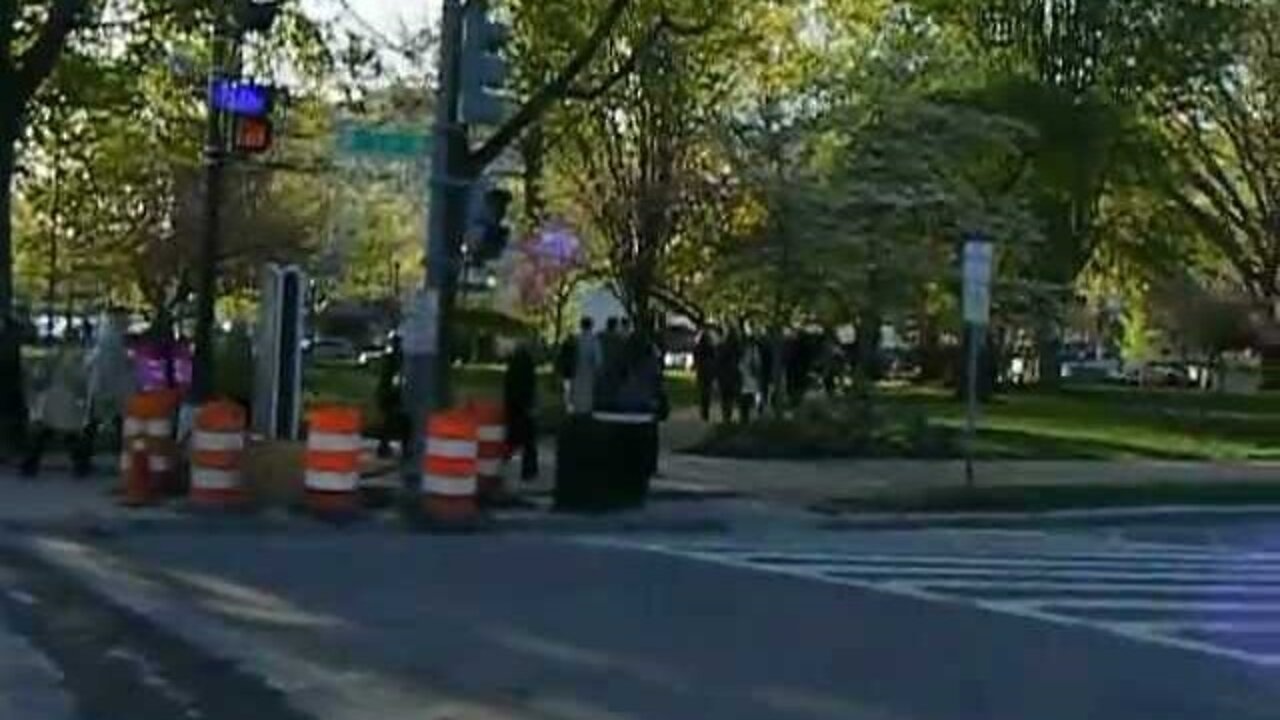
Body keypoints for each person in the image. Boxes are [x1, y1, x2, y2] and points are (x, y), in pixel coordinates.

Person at [21, 347, 92, 477]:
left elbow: (40, 379)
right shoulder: (76, 360)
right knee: (68, 434)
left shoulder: (54, 357)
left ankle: (30, 465)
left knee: (46, 432)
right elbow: (81, 383)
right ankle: (81, 466)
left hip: (53, 399)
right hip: (66, 401)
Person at [85, 309, 134, 454]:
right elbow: (121, 364)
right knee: (116, 422)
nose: (128, 321)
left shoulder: (104, 336)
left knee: (95, 423)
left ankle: (83, 457)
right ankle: (120, 452)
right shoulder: (116, 339)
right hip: (111, 388)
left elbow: (92, 362)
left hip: (102, 387)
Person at [503, 339, 539, 481]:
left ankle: (499, 464)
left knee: (512, 438)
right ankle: (529, 472)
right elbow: (530, 385)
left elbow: (508, 386)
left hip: (513, 405)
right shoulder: (528, 363)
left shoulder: (513, 364)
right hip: (524, 405)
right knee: (529, 441)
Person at [376, 334, 405, 458]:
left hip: (386, 392)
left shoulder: (389, 357)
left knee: (387, 422)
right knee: (400, 421)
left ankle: (384, 447)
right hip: (394, 393)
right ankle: (402, 448)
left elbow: (384, 377)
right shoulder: (400, 358)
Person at [569, 317, 601, 414]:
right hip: (589, 370)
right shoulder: (594, 340)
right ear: (591, 326)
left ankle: (577, 408)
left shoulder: (576, 339)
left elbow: (572, 356)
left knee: (577, 389)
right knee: (588, 390)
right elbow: (598, 358)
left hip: (577, 369)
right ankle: (587, 409)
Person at [715, 329, 743, 423]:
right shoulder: (737, 348)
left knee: (726, 397)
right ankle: (729, 416)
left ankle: (726, 416)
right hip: (732, 374)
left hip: (725, 375)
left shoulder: (722, 347)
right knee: (731, 396)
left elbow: (718, 361)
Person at [693, 328, 717, 422]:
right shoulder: (710, 346)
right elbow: (714, 356)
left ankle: (704, 411)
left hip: (702, 370)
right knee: (707, 390)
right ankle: (705, 411)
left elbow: (696, 356)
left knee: (703, 390)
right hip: (708, 369)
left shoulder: (698, 347)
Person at [738, 335, 762, 423]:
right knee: (755, 394)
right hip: (751, 377)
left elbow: (752, 364)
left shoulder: (749, 350)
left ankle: (746, 415)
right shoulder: (754, 350)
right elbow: (757, 364)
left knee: (748, 395)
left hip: (748, 376)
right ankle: (756, 412)